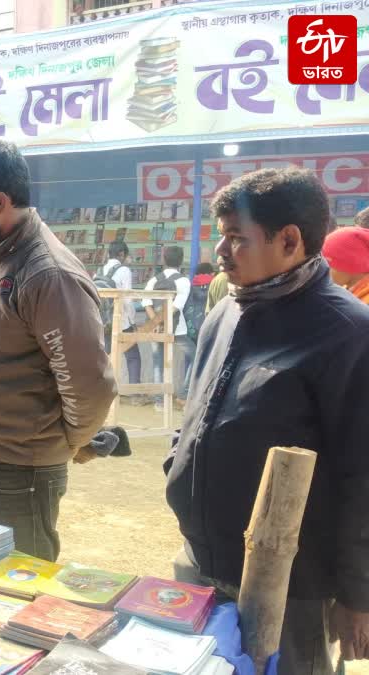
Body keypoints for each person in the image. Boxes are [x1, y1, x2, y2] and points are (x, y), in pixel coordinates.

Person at [165, 167, 369, 674]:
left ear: (290, 240)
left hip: (295, 588)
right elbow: (197, 411)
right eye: (221, 237)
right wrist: (178, 463)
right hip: (201, 562)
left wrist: (357, 594)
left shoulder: (348, 334)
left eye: (237, 239)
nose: (221, 252)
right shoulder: (227, 312)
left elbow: (362, 478)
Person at [0, 141, 116, 561]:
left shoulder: (47, 274)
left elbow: (90, 387)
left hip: (18, 476)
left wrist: (64, 444)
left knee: (15, 597)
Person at [141, 246, 192, 405]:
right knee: (196, 357)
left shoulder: (154, 279)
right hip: (177, 329)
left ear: (164, 260)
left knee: (158, 363)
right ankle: (183, 395)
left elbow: (146, 303)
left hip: (155, 328)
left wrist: (156, 321)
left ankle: (159, 402)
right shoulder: (183, 280)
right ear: (181, 260)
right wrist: (164, 321)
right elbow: (177, 306)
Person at [97, 241, 142, 388]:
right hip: (122, 321)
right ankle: (135, 392)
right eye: (126, 255)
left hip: (103, 322)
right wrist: (132, 320)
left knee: (107, 358)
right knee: (133, 356)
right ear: (121, 254)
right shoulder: (124, 270)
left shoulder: (99, 271)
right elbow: (128, 300)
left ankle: (105, 391)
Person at [322, 226, 369, 304]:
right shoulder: (352, 292)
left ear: (353, 264)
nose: (321, 269)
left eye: (327, 263)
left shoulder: (364, 304)